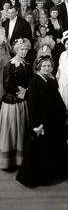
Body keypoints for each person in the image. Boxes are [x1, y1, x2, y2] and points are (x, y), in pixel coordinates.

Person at [16, 56, 68, 187]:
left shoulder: (51, 81)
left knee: (52, 147)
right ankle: (41, 177)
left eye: (49, 66)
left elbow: (58, 101)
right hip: (41, 122)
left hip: (54, 121)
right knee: (40, 149)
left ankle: (54, 171)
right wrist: (36, 125)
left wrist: (64, 113)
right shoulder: (34, 82)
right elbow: (33, 106)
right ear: (39, 67)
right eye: (44, 66)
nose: (47, 68)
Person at [0, 38, 32, 169]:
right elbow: (7, 85)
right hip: (12, 103)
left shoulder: (26, 64)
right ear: (16, 50)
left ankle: (20, 159)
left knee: (21, 129)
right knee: (12, 128)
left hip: (22, 102)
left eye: (25, 49)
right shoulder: (10, 65)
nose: (23, 52)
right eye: (21, 49)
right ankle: (8, 161)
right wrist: (23, 92)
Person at [0, 21, 10, 100]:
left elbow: (6, 43)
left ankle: (3, 96)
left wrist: (8, 54)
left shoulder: (3, 29)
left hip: (4, 54)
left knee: (4, 76)